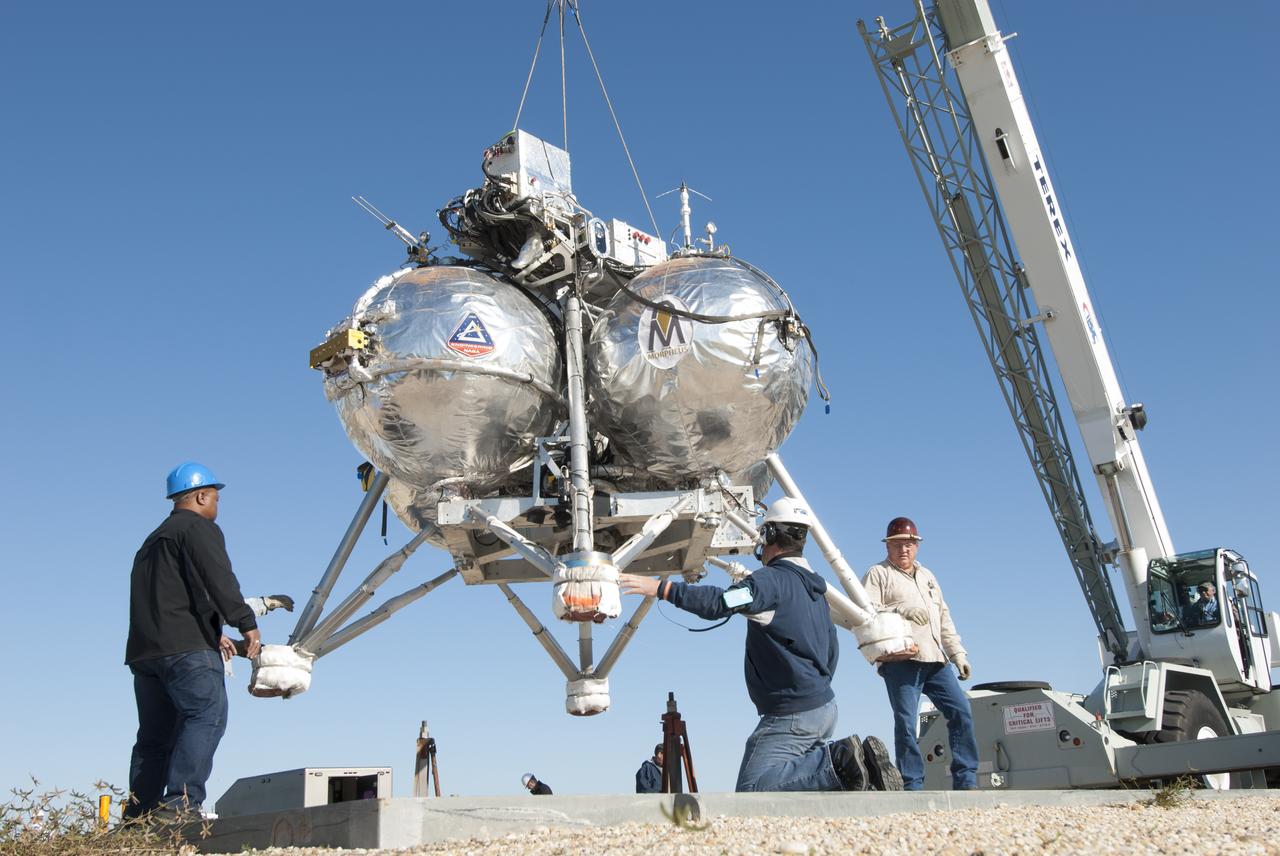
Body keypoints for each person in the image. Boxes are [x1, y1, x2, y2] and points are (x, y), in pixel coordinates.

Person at [620, 498, 901, 792]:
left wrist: (662, 588)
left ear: (769, 536)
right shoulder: (815, 589)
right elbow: (832, 650)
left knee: (753, 790)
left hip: (791, 714)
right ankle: (865, 770)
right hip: (824, 706)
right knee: (798, 783)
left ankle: (839, 762)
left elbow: (722, 602)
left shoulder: (768, 584)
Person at [123, 462, 262, 821]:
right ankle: (180, 806)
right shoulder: (198, 528)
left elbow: (169, 595)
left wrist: (214, 632)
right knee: (206, 715)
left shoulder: (152, 541)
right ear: (202, 496)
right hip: (187, 653)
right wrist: (245, 623)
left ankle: (139, 815)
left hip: (146, 653)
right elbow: (218, 577)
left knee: (154, 737)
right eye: (215, 498)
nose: (216, 507)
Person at [863, 517, 979, 791]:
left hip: (936, 660)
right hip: (901, 660)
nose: (904, 550)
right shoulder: (878, 574)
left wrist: (958, 654)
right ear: (888, 547)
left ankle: (966, 780)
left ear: (917, 546)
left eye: (909, 544)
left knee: (961, 711)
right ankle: (912, 784)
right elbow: (864, 611)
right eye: (898, 545)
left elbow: (944, 618)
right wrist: (900, 611)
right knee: (906, 722)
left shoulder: (928, 577)